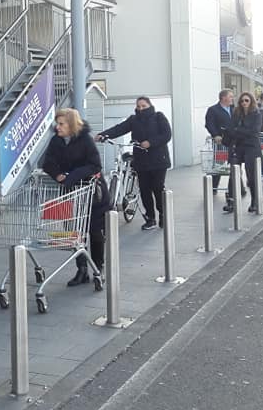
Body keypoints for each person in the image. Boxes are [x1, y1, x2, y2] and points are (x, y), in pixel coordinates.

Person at [43, 108, 110, 287]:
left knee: (95, 232)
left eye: (61, 124)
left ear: (72, 124)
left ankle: (98, 268)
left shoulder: (85, 140)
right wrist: (57, 175)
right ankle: (81, 270)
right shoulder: (56, 141)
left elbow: (95, 165)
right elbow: (47, 162)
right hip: (70, 192)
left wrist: (71, 176)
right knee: (74, 233)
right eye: (57, 123)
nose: (58, 127)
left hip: (91, 192)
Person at [96, 97, 172, 230]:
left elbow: (167, 135)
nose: (141, 108)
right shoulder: (133, 119)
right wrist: (103, 135)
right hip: (141, 160)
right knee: (144, 189)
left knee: (157, 187)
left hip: (159, 159)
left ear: (149, 105)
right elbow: (119, 129)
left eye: (143, 106)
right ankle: (150, 218)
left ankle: (163, 214)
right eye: (139, 106)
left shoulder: (158, 117)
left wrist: (150, 142)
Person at [225, 92, 263, 214]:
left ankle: (254, 201)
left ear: (251, 101)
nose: (244, 103)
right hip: (237, 146)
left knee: (251, 176)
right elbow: (230, 129)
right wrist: (241, 131)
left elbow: (254, 132)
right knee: (233, 172)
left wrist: (239, 130)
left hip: (251, 147)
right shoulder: (236, 113)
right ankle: (231, 201)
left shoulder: (256, 114)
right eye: (242, 101)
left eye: (246, 100)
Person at [205, 90, 236, 196]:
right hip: (221, 142)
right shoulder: (213, 110)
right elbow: (209, 124)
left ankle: (236, 187)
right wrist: (215, 135)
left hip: (234, 141)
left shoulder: (234, 109)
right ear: (223, 98)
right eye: (230, 96)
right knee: (219, 165)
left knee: (235, 164)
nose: (232, 98)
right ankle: (213, 187)